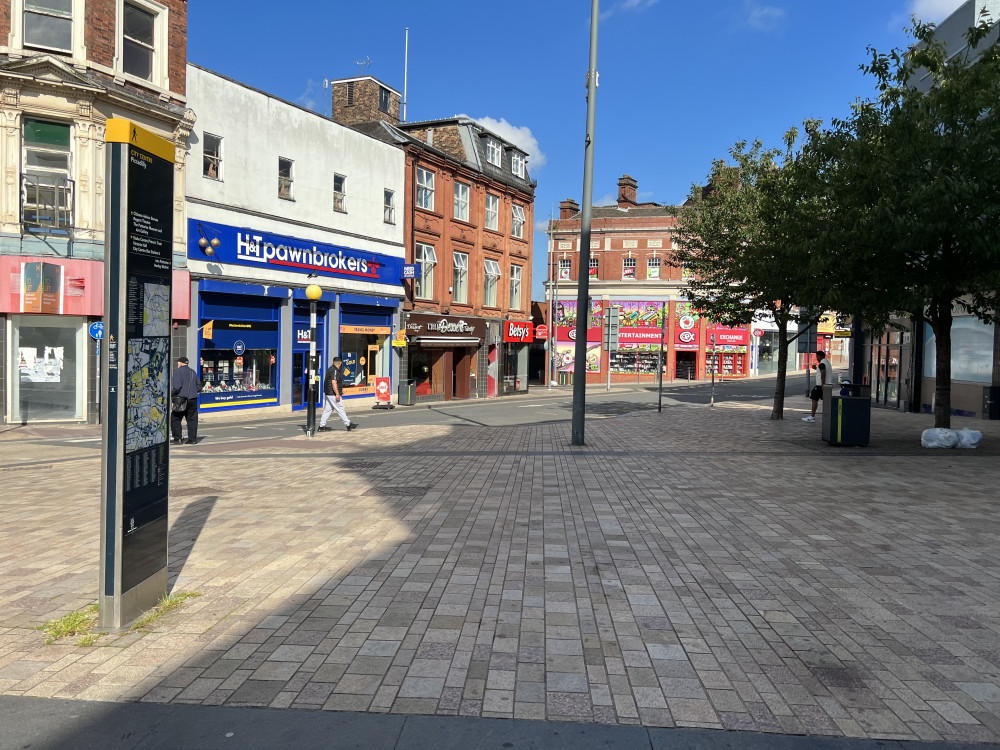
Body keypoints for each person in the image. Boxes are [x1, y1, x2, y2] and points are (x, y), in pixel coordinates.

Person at [318, 356, 358, 432]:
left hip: (328, 392)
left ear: (333, 362)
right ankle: (348, 424)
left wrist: (340, 390)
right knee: (340, 408)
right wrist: (337, 393)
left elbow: (332, 382)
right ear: (340, 363)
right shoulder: (335, 371)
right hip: (332, 393)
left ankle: (321, 425)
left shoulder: (330, 369)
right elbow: (334, 382)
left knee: (328, 410)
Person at [171, 356, 200, 444]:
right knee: (192, 419)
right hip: (193, 399)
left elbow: (176, 386)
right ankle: (192, 439)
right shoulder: (192, 372)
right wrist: (193, 391)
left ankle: (177, 438)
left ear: (180, 363)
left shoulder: (179, 372)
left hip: (181, 399)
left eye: (178, 362)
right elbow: (199, 386)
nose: (177, 364)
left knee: (175, 418)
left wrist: (172, 394)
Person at [802, 350, 834, 422]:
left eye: (817, 357)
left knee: (814, 399)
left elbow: (823, 373)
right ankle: (829, 415)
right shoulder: (827, 362)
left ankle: (812, 416)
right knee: (826, 400)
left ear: (820, 356)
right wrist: (816, 368)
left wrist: (823, 384)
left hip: (820, 386)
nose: (817, 358)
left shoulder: (822, 364)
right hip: (827, 384)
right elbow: (822, 371)